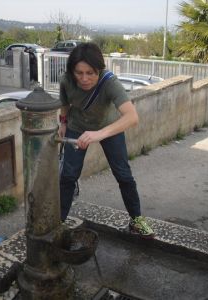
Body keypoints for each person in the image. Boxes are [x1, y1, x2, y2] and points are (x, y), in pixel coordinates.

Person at [58, 42, 154, 238]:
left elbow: (132, 117)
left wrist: (98, 134)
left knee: (124, 175)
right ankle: (59, 220)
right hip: (76, 127)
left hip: (109, 128)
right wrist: (63, 123)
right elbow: (65, 104)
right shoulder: (66, 80)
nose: (84, 79)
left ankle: (136, 220)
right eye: (79, 73)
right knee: (68, 176)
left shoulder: (110, 82)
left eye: (90, 73)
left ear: (99, 70)